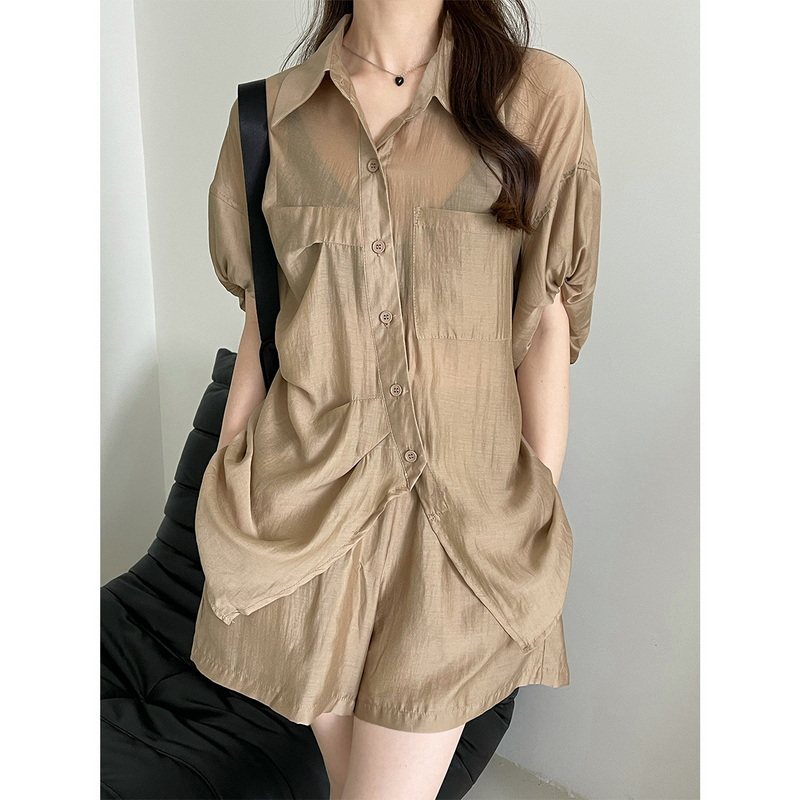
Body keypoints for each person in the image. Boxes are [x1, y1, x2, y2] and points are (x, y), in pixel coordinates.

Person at [189, 0, 602, 797]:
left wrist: (532, 500)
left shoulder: (537, 97)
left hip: (461, 529)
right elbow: (264, 319)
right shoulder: (267, 120)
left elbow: (546, 314)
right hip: (304, 518)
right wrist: (226, 486)